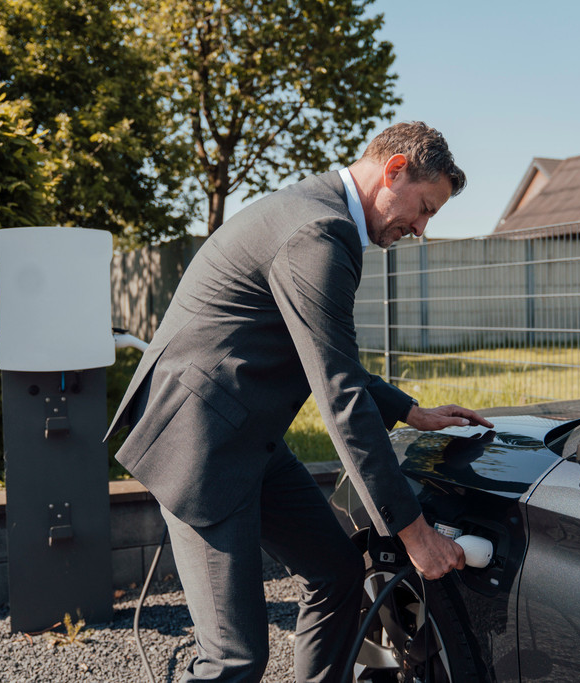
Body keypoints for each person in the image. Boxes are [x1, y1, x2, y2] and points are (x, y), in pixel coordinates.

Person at [106, 121, 494, 682]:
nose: (422, 227)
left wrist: (409, 411)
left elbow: (319, 355)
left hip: (244, 436)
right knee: (233, 659)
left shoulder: (315, 213)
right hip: (201, 448)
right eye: (425, 207)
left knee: (336, 572)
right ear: (394, 170)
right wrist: (415, 535)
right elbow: (339, 398)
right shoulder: (319, 234)